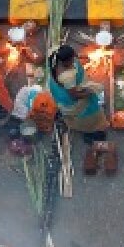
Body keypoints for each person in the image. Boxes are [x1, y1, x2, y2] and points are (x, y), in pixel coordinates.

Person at [48, 44, 115, 174]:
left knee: (87, 115)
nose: (75, 61)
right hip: (75, 101)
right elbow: (75, 95)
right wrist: (90, 92)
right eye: (72, 60)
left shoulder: (55, 54)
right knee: (91, 119)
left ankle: (92, 134)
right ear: (65, 61)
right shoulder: (67, 76)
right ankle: (92, 135)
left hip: (66, 95)